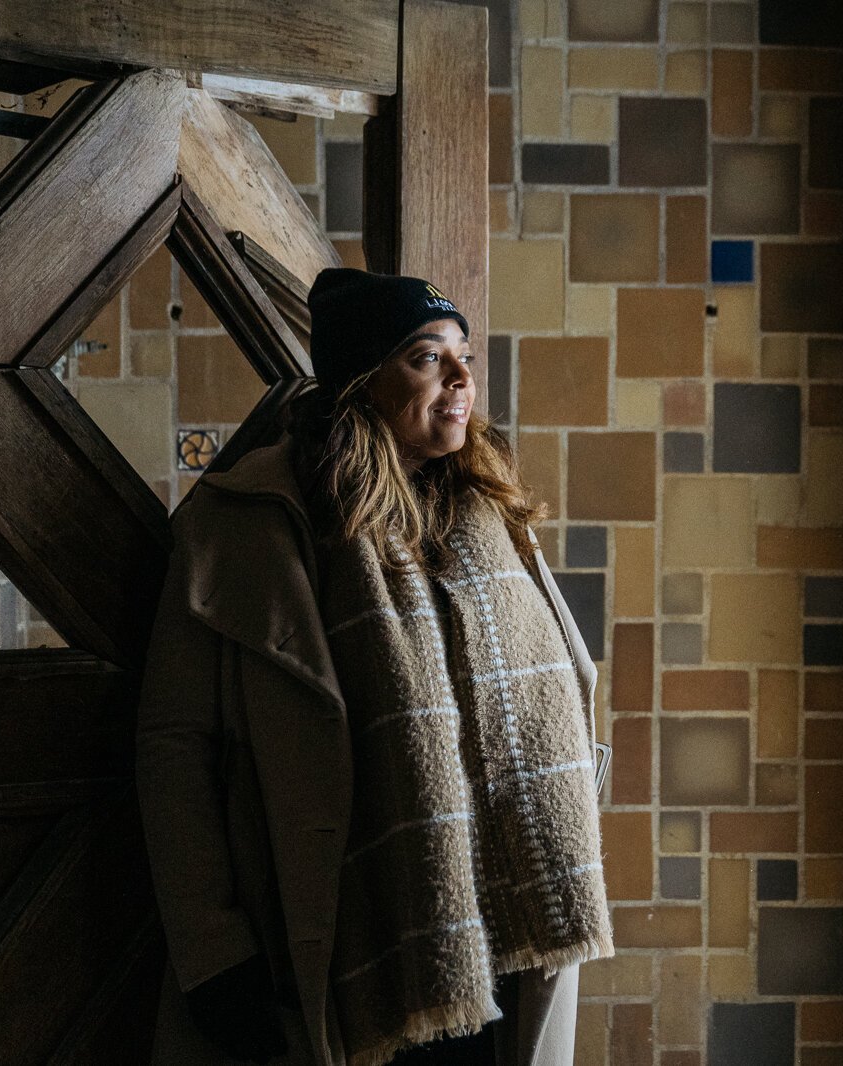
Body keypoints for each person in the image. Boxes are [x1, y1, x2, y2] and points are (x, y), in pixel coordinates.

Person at [135, 268, 614, 1066]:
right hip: (349, 949)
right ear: (363, 381)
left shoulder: (489, 510)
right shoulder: (259, 523)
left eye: (462, 354)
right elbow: (174, 748)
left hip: (512, 938)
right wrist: (214, 953)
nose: (462, 378)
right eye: (427, 357)